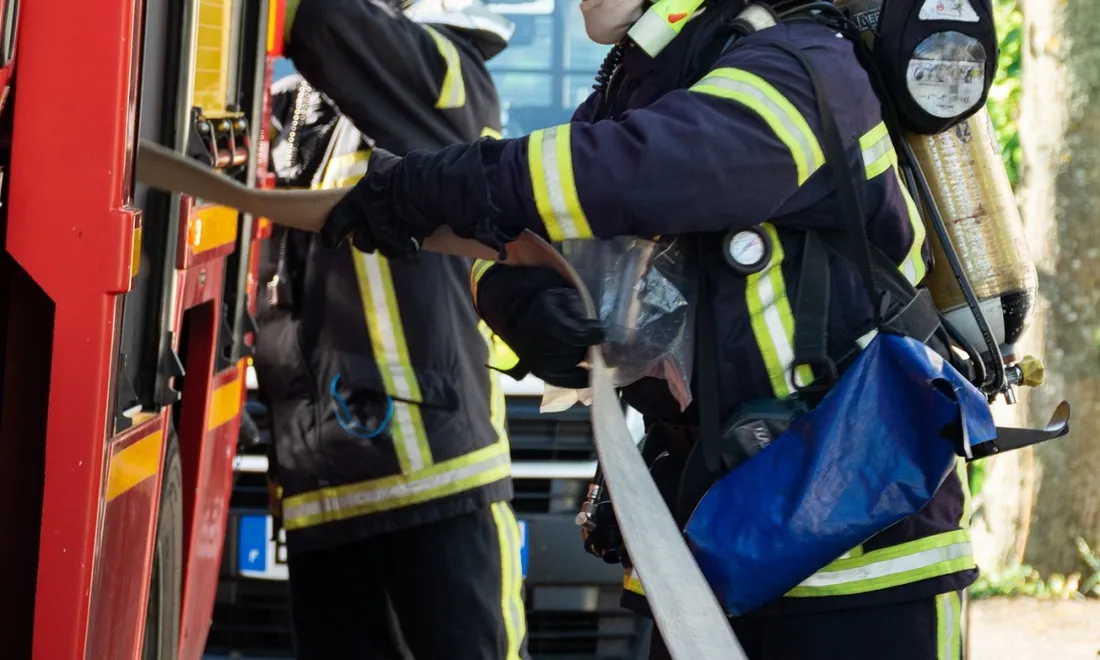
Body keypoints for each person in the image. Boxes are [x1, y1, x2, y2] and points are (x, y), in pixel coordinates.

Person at [314, 0, 980, 658]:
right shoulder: (651, 77)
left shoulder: (800, 64)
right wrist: (517, 297)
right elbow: (543, 236)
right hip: (709, 550)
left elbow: (640, 170)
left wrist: (444, 183)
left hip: (858, 560)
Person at [252, 1, 529, 658]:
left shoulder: (444, 75)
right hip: (323, 482)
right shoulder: (307, 112)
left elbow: (321, 23)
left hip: (430, 473)